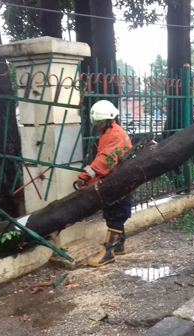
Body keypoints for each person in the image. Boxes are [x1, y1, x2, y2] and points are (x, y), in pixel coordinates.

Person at [76, 100, 133, 267]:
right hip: (116, 179)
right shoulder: (108, 131)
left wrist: (86, 175)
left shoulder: (115, 134)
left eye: (101, 121)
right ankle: (119, 246)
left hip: (121, 181)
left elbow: (106, 160)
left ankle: (108, 253)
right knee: (111, 213)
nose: (99, 124)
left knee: (117, 215)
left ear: (108, 119)